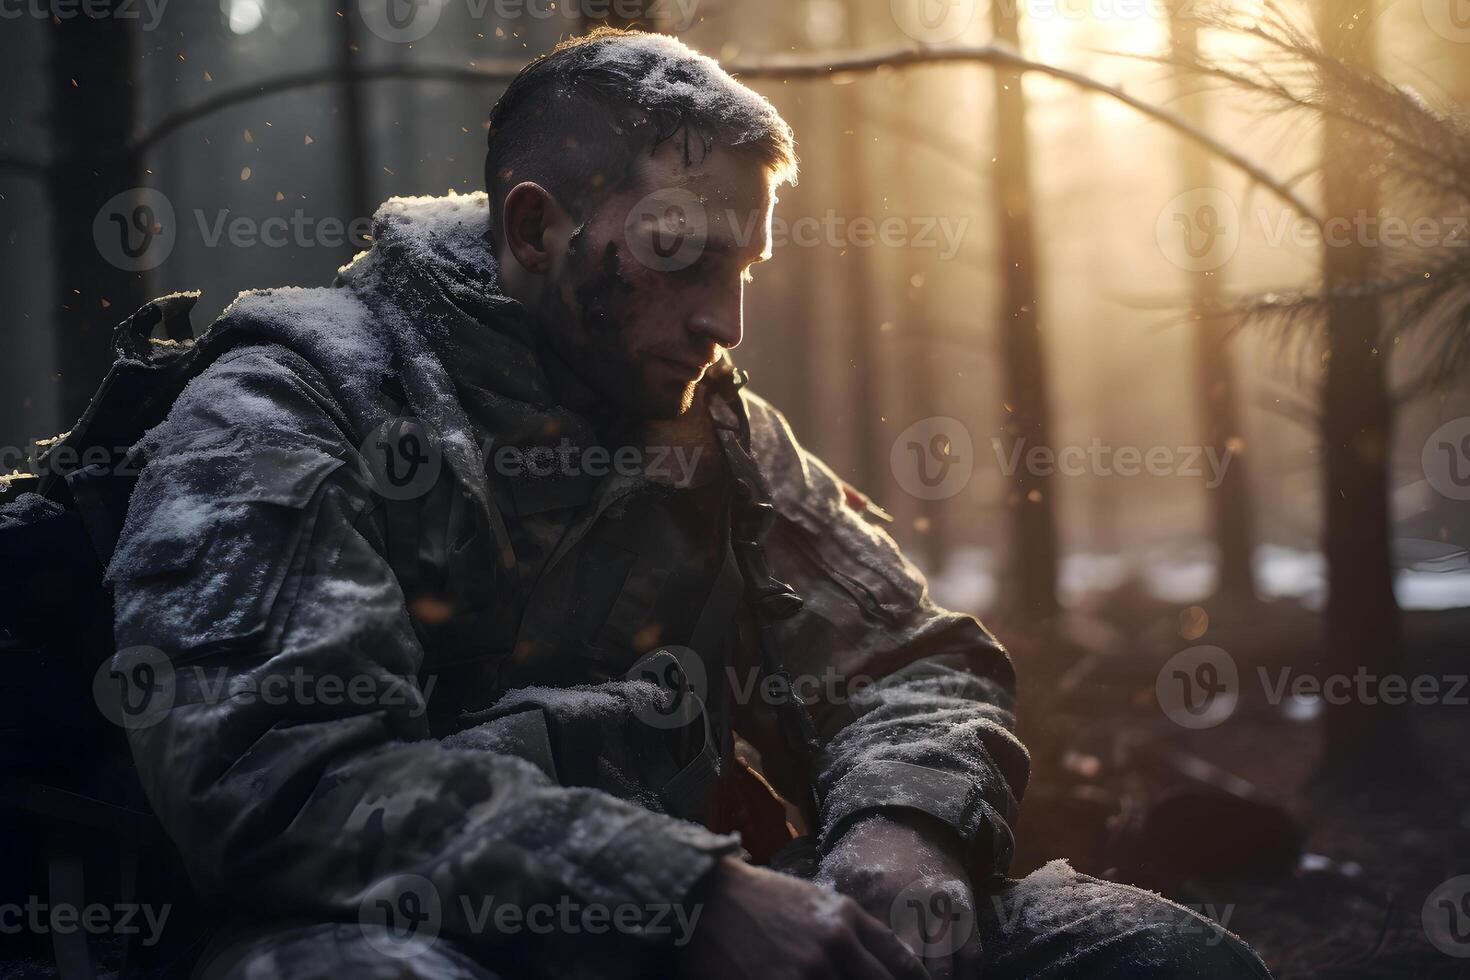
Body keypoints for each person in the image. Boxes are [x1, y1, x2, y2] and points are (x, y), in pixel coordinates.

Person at [107, 27, 1273, 980]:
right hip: (412, 934)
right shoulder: (288, 403)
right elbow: (283, 781)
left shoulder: (714, 420)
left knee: (1154, 956)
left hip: (720, 923)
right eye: (684, 257)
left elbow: (909, 662)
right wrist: (677, 892)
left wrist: (900, 822)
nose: (729, 320)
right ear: (532, 228)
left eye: (744, 268)